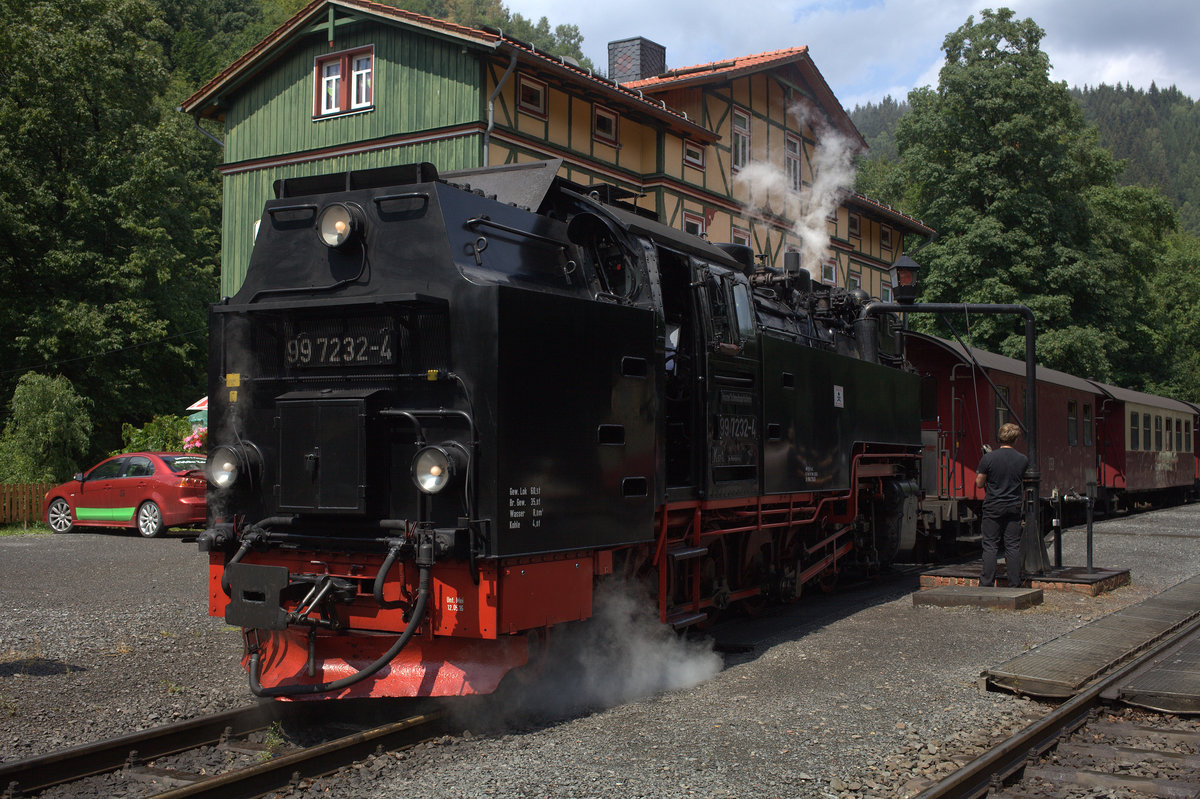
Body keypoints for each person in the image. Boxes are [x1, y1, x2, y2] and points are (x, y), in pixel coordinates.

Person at [975, 422, 1028, 587]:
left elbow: (979, 483)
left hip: (993, 505)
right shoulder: (1022, 459)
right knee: (1012, 545)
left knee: (990, 545)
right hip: (1013, 505)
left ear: (1000, 437)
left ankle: (987, 582)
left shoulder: (988, 458)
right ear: (1016, 439)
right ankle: (1014, 582)